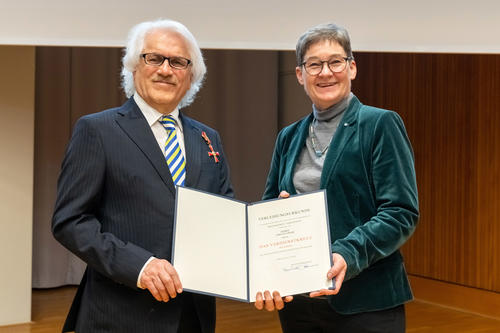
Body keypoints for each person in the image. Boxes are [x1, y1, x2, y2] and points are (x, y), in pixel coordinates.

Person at [52, 19, 233, 333]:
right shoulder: (97, 130)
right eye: (154, 58)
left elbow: (225, 212)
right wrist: (139, 266)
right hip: (120, 316)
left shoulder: (208, 139)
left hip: (193, 316)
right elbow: (70, 221)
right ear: (133, 67)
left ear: (191, 76)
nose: (165, 69)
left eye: (178, 62)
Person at [254, 23, 419, 333]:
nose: (325, 72)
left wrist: (347, 253)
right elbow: (268, 206)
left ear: (351, 68)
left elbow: (400, 212)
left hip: (366, 303)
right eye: (314, 64)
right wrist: (277, 218)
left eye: (335, 62)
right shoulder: (288, 137)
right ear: (300, 75)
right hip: (301, 304)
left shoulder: (380, 124)